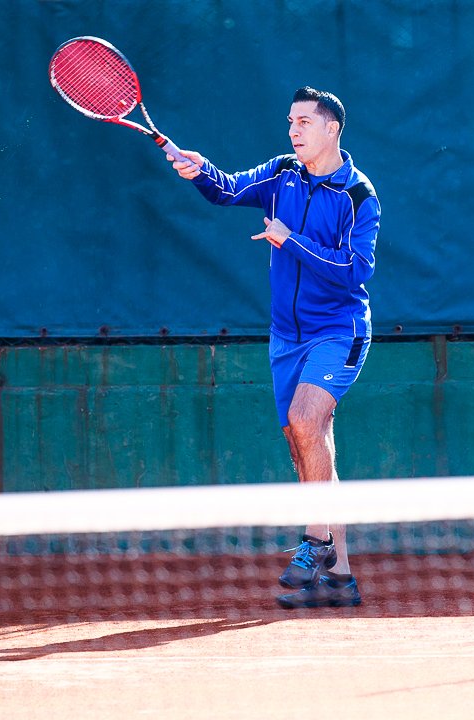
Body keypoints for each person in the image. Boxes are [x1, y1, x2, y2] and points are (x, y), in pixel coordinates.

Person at [169, 86, 380, 608]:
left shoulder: (358, 195)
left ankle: (315, 541)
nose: (294, 131)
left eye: (305, 122)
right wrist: (200, 171)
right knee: (303, 440)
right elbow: (229, 189)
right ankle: (341, 575)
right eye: (291, 122)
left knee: (308, 421)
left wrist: (292, 241)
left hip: (339, 329)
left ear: (332, 128)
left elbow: (355, 272)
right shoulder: (283, 172)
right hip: (286, 336)